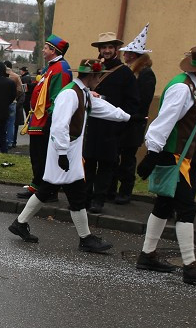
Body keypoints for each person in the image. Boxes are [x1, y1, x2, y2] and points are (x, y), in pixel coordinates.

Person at [8, 59, 130, 252]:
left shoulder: (82, 93)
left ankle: (20, 223)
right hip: (64, 152)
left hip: (68, 152)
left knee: (47, 189)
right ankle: (86, 238)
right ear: (91, 76)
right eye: (99, 76)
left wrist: (126, 117)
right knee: (76, 194)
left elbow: (99, 108)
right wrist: (63, 152)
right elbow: (59, 125)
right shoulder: (69, 94)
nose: (100, 80)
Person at [135, 42, 196, 284]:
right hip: (173, 156)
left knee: (165, 205)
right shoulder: (183, 89)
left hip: (178, 156)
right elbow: (163, 122)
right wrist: (151, 155)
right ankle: (190, 266)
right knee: (187, 209)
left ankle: (147, 254)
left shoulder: (191, 86)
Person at [83, 32, 138, 213]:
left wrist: (120, 125)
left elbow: (131, 103)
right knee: (88, 164)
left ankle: (99, 200)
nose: (106, 50)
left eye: (110, 47)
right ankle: (85, 198)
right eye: (104, 47)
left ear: (116, 49)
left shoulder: (125, 74)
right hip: (92, 125)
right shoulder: (94, 68)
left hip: (111, 127)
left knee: (106, 166)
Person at [19, 36, 72, 198]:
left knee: (43, 155)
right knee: (37, 154)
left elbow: (59, 96)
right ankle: (37, 184)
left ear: (54, 51)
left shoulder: (61, 69)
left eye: (46, 48)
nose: (43, 50)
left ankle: (47, 190)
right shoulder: (51, 67)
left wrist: (51, 119)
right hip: (39, 119)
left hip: (46, 120)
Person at [113, 25, 157, 204]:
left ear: (134, 55)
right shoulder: (131, 72)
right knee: (118, 156)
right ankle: (114, 189)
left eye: (127, 53)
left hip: (133, 123)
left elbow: (143, 100)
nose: (124, 56)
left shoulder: (146, 75)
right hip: (124, 121)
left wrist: (131, 115)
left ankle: (125, 191)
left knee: (128, 159)